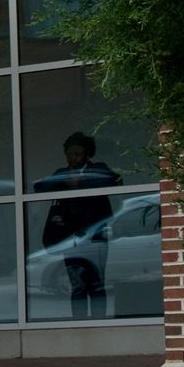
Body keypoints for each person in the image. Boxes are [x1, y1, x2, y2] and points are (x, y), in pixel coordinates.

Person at [33, 132, 121, 318]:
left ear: (87, 153)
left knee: (96, 282)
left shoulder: (97, 169)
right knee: (78, 285)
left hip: (95, 236)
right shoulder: (62, 173)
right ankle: (79, 323)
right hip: (70, 237)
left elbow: (115, 181)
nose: (72, 158)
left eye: (77, 154)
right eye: (69, 154)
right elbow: (39, 188)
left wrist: (82, 183)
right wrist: (63, 182)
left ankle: (99, 322)